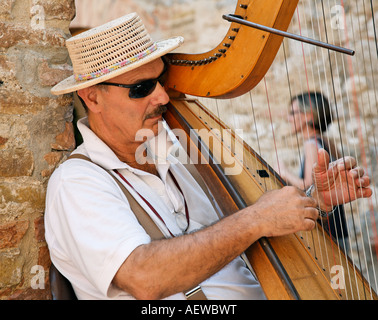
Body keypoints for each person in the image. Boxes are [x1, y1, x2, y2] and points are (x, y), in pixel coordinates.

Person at [45, 13, 372, 300]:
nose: (161, 95)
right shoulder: (77, 183)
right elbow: (144, 278)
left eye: (160, 79)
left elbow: (251, 228)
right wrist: (255, 219)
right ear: (93, 98)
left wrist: (315, 200)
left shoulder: (180, 152)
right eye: (141, 88)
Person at [278, 92, 349, 248]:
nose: (288, 118)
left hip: (326, 233)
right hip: (338, 229)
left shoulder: (311, 144)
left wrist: (283, 172)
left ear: (308, 116)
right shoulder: (327, 142)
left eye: (292, 113)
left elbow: (309, 186)